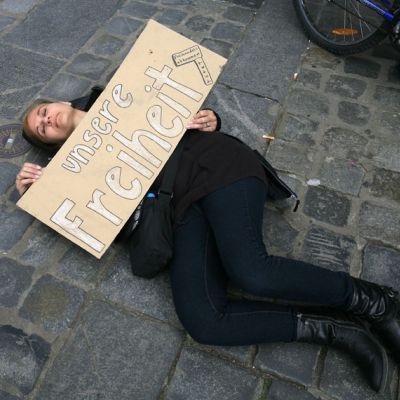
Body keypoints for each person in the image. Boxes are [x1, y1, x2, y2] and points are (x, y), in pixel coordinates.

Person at [16, 87, 400, 393]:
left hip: (214, 166)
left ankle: (376, 302)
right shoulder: (74, 177)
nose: (47, 119)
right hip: (180, 211)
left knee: (251, 271)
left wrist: (211, 117)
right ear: (53, 144)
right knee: (204, 322)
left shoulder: (120, 90)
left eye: (43, 112)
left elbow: (182, 97)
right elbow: (110, 228)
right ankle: (338, 330)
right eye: (42, 128)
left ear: (61, 102)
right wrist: (49, 194)